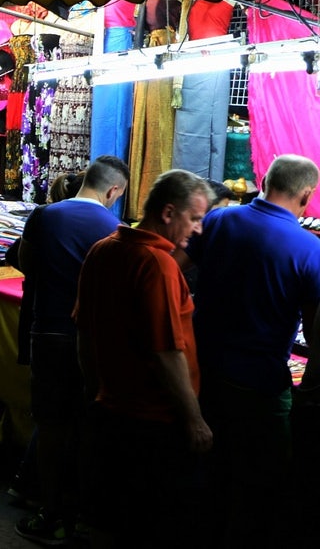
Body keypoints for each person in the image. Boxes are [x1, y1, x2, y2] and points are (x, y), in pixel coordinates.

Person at [177, 154, 320, 547]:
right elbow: (315, 333)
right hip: (260, 386)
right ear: (307, 194)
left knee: (207, 471)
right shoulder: (309, 250)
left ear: (265, 180)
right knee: (261, 482)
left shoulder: (220, 221)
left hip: (202, 372)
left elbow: (173, 269)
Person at [74, 169, 213, 548]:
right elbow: (166, 352)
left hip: (111, 411)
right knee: (155, 522)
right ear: (168, 213)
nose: (198, 230)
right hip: (153, 421)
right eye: (195, 218)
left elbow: (84, 334)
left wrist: (95, 389)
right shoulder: (157, 264)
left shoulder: (103, 249)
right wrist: (194, 419)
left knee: (114, 517)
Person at [14, 156, 129, 545]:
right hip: (93, 341)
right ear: (113, 191)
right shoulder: (116, 229)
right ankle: (82, 513)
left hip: (48, 331)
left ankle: (50, 511)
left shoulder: (45, 215)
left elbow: (27, 265)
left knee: (50, 427)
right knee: (87, 428)